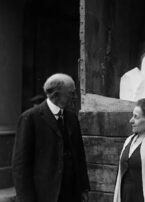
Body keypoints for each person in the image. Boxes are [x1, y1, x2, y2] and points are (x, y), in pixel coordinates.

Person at [12, 73, 90, 202]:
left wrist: (83, 188)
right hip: (44, 194)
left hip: (71, 194)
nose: (75, 97)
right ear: (56, 95)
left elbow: (79, 156)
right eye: (71, 93)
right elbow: (20, 165)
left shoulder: (72, 118)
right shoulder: (30, 118)